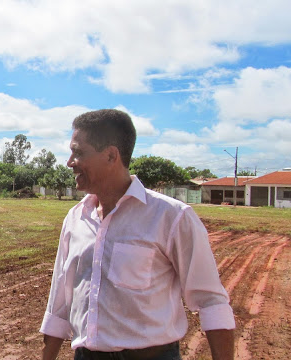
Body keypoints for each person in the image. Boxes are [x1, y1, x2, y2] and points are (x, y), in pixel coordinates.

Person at [40, 109, 235, 360]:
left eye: (78, 152)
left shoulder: (172, 217)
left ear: (111, 155)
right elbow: (58, 305)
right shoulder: (75, 219)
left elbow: (211, 302)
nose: (70, 161)